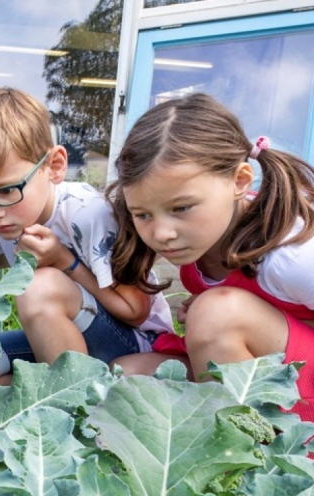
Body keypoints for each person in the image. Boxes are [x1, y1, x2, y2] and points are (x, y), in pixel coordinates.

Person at [0, 88, 173, 392]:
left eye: (7, 190)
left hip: (134, 345)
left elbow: (135, 311)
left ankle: (71, 405)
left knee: (40, 288)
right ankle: (46, 391)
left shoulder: (89, 214)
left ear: (54, 166)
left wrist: (65, 261)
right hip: (65, 338)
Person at [107, 93, 314, 420]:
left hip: (303, 394)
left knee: (216, 315)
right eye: (143, 214)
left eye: (181, 208)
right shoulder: (201, 240)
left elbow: (226, 317)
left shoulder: (293, 254)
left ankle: (252, 461)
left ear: (240, 181)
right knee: (127, 375)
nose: (161, 233)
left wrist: (229, 318)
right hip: (265, 379)